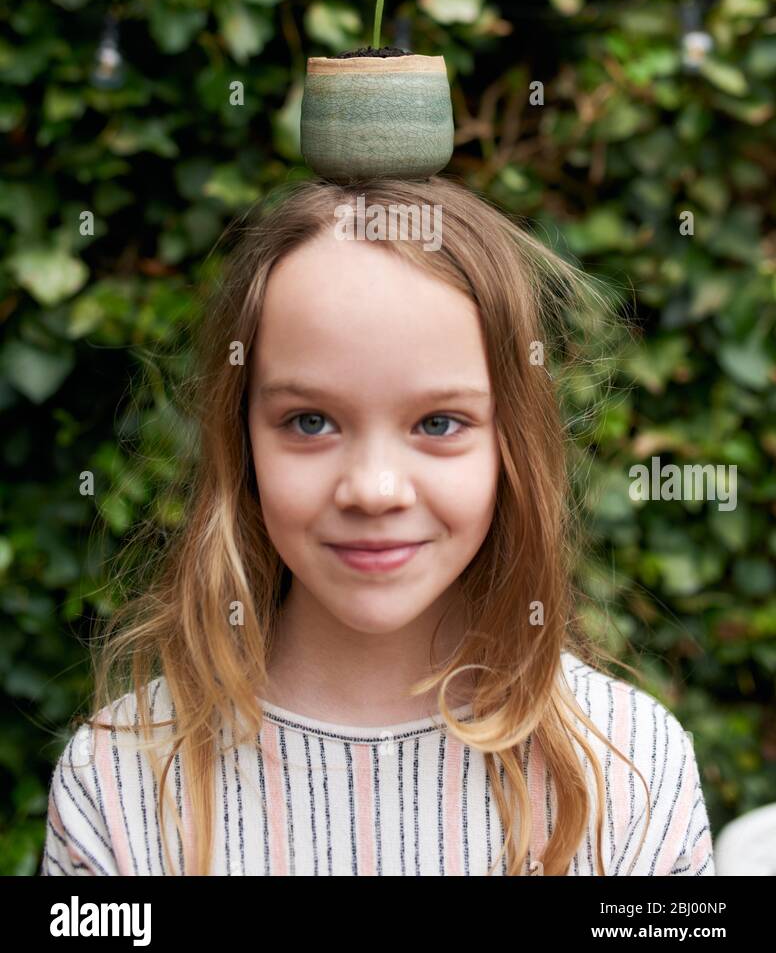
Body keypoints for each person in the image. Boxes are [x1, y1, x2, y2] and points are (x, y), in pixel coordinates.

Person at [40, 177, 715, 876]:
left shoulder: (630, 771)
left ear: (510, 444)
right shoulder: (120, 782)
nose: (373, 489)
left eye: (439, 423)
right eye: (310, 421)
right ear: (242, 441)